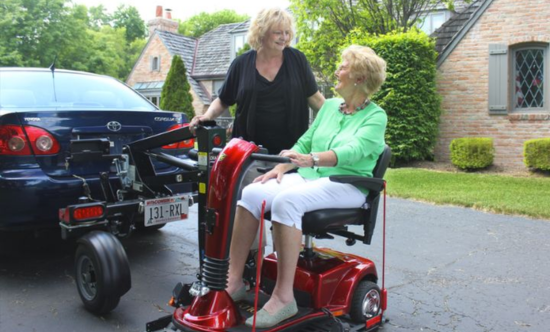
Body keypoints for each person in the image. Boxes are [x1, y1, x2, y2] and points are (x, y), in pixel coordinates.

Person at [226, 45, 388, 328]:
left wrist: (312, 160)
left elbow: (354, 150)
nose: (337, 71)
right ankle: (234, 280)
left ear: (360, 77)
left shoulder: (376, 116)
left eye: (343, 66)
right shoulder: (328, 108)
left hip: (348, 183)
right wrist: (283, 165)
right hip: (312, 177)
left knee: (287, 201)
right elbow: (305, 141)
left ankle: (284, 297)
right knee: (251, 192)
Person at [189, 7, 325, 155]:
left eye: (287, 32)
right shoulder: (241, 64)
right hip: (247, 152)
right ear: (262, 33)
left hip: (292, 152)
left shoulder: (298, 60)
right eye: (278, 32)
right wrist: (207, 116)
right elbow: (223, 100)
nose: (284, 37)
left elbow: (315, 98)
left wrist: (343, 116)